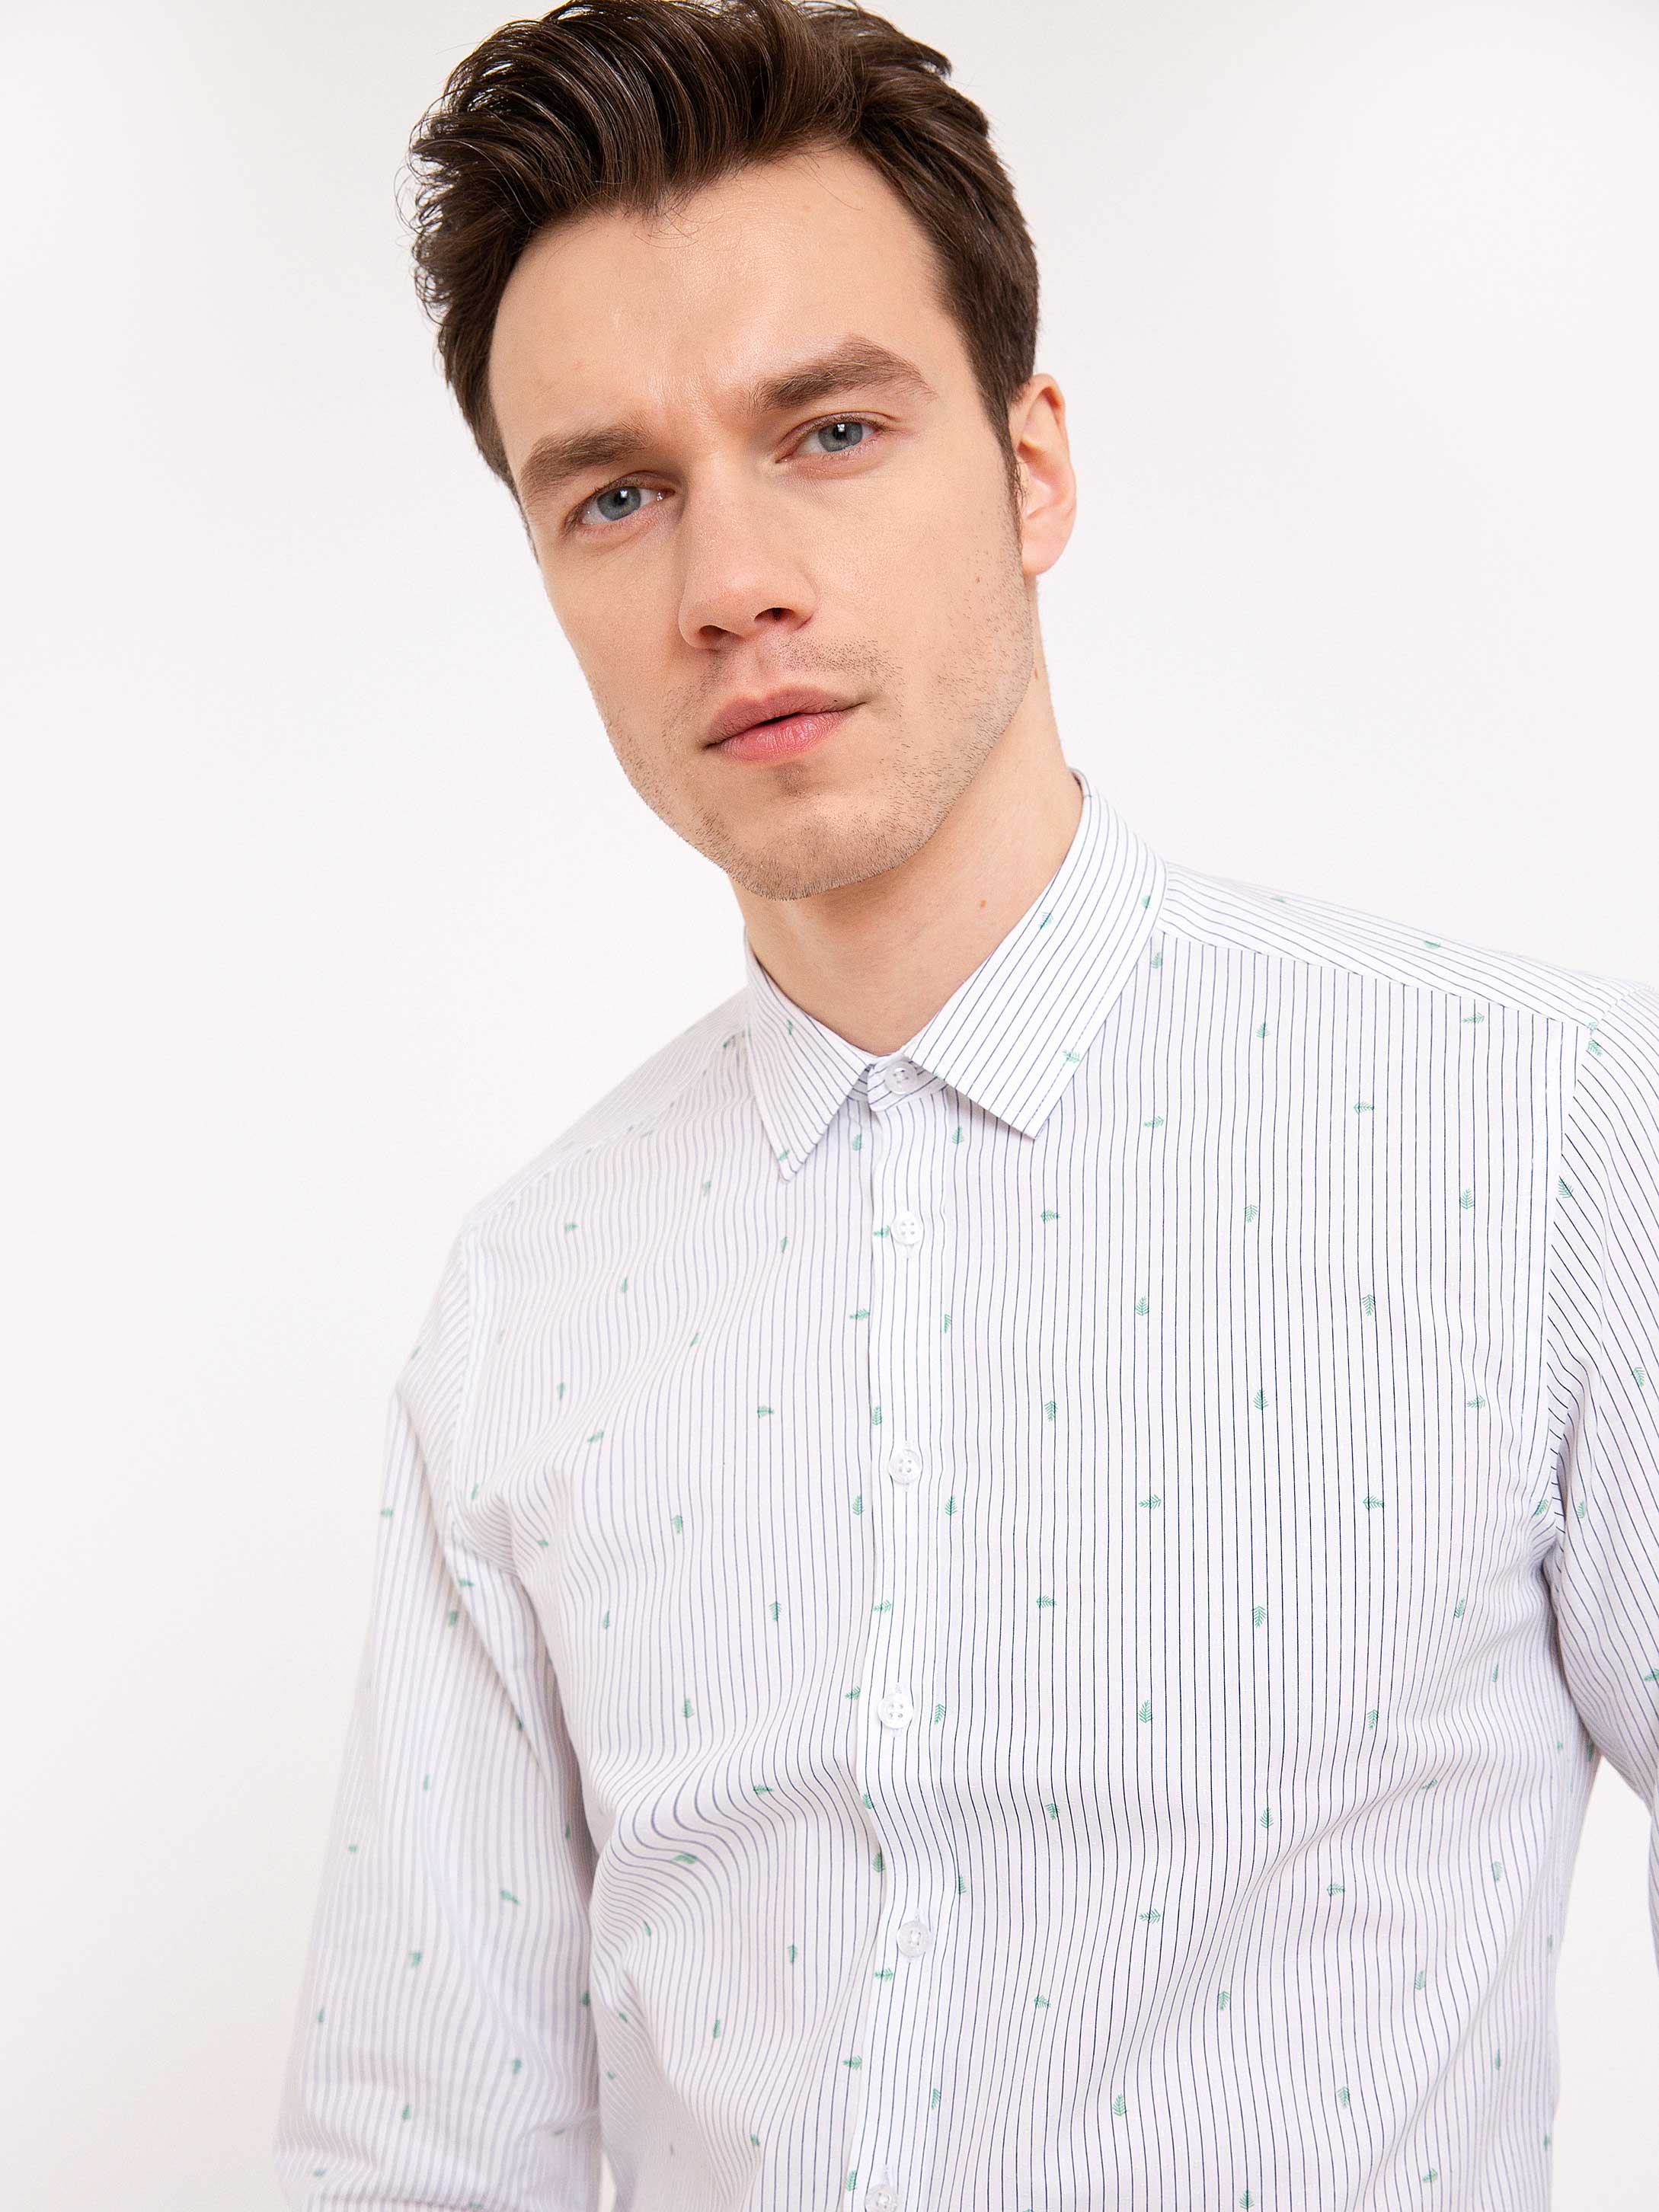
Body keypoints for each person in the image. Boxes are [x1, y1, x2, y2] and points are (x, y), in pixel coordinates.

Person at [272, 2, 1659, 2206]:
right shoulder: (529, 1304)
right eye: (616, 493)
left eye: (829, 429)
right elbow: (418, 2152)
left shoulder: (1541, 1137)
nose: (729, 585)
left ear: (1031, 471)